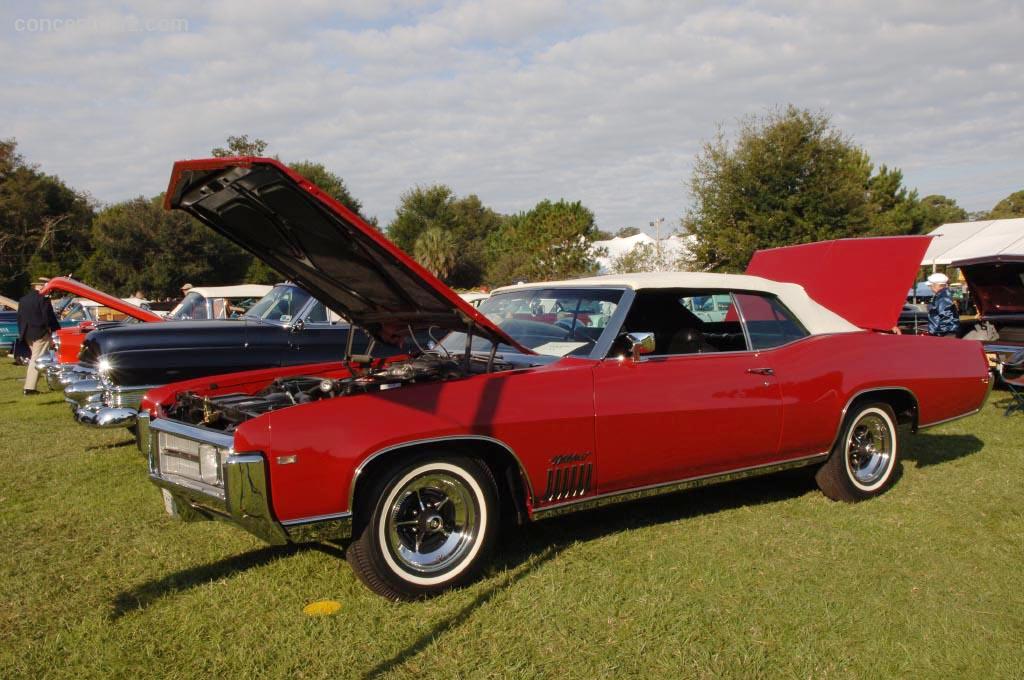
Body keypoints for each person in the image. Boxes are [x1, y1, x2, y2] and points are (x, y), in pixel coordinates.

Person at [17, 278, 60, 395]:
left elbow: (20, 318)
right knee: (37, 360)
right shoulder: (43, 299)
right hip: (40, 333)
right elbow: (48, 317)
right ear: (42, 286)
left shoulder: (23, 299)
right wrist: (55, 331)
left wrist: (22, 333)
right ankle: (29, 388)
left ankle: (51, 383)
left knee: (38, 358)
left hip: (27, 333)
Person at [926, 272, 959, 337]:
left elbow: (947, 317)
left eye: (931, 286)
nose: (930, 288)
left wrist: (938, 333)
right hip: (943, 332)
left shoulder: (943, 297)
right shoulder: (943, 295)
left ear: (936, 285)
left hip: (944, 334)